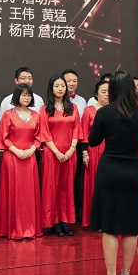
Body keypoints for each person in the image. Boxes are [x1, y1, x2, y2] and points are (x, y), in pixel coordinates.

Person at [88, 71, 138, 275]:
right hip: (132, 171)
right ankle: (125, 274)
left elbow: (93, 141)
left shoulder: (104, 112)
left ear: (113, 89)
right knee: (130, 226)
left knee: (109, 226)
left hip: (109, 171)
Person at [0, 84, 43, 240]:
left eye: (29, 95)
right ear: (17, 96)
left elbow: (39, 137)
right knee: (13, 192)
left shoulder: (36, 115)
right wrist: (16, 151)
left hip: (30, 158)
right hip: (12, 158)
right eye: (24, 94)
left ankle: (29, 227)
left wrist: (31, 150)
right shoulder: (8, 115)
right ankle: (12, 228)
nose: (27, 97)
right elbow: (3, 137)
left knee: (28, 193)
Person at [40, 74, 81, 237]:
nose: (60, 88)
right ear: (51, 88)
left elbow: (77, 130)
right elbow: (44, 133)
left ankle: (65, 220)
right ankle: (53, 222)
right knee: (52, 187)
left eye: (62, 86)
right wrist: (56, 152)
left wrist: (71, 149)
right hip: (52, 153)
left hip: (70, 153)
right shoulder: (45, 109)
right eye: (57, 86)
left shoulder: (73, 108)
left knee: (67, 187)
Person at [80, 80, 108, 227]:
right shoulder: (89, 111)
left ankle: (108, 218)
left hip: (111, 150)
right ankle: (95, 219)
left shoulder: (115, 110)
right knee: (94, 184)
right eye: (103, 92)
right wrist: (85, 153)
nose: (107, 94)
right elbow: (84, 133)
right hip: (94, 150)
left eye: (110, 91)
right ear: (96, 94)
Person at [62, 68, 87, 223]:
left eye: (74, 81)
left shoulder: (82, 101)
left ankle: (75, 213)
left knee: (77, 179)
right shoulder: (52, 102)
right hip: (58, 145)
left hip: (76, 144)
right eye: (68, 81)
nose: (71, 83)